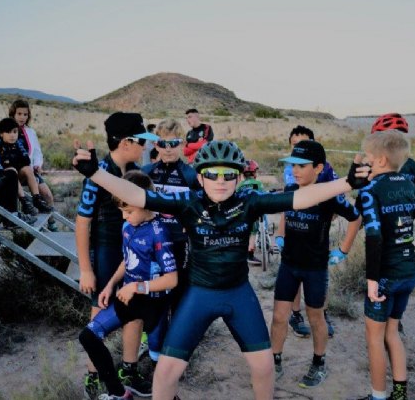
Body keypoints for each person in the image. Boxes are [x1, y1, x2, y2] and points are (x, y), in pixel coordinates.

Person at [72, 139, 371, 400]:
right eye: (212, 174)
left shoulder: (249, 201)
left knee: (264, 367)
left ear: (239, 177)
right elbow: (138, 196)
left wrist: (347, 183)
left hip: (238, 295)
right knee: (165, 372)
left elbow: (299, 198)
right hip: (199, 295)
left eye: (229, 174)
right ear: (200, 177)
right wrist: (96, 173)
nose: (220, 181)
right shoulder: (188, 203)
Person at [75, 112, 158, 400]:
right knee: (100, 309)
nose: (145, 146)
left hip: (132, 248)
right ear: (126, 143)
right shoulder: (97, 172)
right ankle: (94, 374)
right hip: (106, 248)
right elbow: (82, 222)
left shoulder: (137, 170)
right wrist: (86, 269)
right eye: (142, 141)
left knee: (134, 308)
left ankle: (128, 370)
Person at [351, 130, 415, 400]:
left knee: (374, 338)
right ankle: (400, 394)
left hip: (384, 276)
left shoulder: (370, 190)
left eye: (369, 158)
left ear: (382, 160)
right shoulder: (412, 187)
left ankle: (378, 397)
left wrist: (372, 280)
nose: (366, 162)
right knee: (392, 333)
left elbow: (374, 236)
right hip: (408, 272)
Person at [270, 140, 362, 388]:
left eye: (302, 165)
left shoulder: (328, 194)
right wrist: (280, 233)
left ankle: (319, 363)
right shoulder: (291, 188)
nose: (295, 170)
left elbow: (355, 218)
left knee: (315, 317)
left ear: (319, 167)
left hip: (315, 268)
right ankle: (274, 361)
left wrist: (343, 250)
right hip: (289, 264)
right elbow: (285, 211)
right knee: (279, 316)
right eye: (293, 165)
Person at [79, 170, 177, 400]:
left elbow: (171, 279)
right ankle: (119, 393)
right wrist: (110, 285)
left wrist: (136, 287)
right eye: (122, 211)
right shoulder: (128, 227)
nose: (124, 217)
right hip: (129, 299)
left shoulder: (159, 232)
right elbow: (128, 258)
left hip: (154, 304)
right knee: (88, 336)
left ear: (144, 203)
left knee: (160, 364)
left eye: (129, 211)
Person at [141, 119, 200, 361]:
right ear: (156, 144)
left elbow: (202, 209)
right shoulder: (147, 172)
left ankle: (175, 349)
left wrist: (192, 227)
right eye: (163, 143)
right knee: (153, 297)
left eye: (173, 143)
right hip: (151, 245)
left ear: (182, 143)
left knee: (178, 296)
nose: (168, 149)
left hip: (178, 244)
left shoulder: (191, 175)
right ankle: (153, 344)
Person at [277, 125, 338, 338]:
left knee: (317, 277)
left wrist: (324, 220)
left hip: (315, 236)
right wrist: (280, 233)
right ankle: (296, 315)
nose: (298, 146)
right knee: (292, 274)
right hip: (294, 233)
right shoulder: (290, 171)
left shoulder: (326, 170)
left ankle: (321, 314)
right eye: (294, 144)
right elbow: (287, 204)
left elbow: (337, 202)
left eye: (303, 143)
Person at [0, 99, 57, 230]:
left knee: (47, 195)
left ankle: (52, 224)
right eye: (19, 114)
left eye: (25, 114)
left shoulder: (30, 132)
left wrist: (38, 164)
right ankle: (26, 213)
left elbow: (37, 152)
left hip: (26, 169)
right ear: (13, 114)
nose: (22, 117)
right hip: (9, 170)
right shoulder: (2, 129)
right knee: (12, 182)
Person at [0, 118, 52, 216]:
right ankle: (24, 203)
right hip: (2, 180)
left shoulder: (18, 144)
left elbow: (26, 160)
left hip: (15, 176)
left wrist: (10, 162)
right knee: (12, 170)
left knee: (27, 168)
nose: (12, 135)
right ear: (1, 134)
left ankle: (37, 199)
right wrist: (13, 163)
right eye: (8, 132)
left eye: (15, 132)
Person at [236, 159, 265, 265]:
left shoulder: (240, 185)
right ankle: (250, 254)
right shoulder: (258, 183)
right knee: (253, 232)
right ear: (254, 173)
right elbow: (263, 196)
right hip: (254, 211)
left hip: (242, 212)